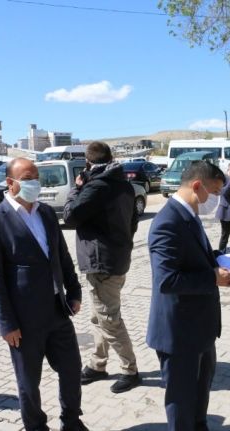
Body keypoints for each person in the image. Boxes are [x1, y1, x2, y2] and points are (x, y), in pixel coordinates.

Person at [0, 158, 86, 431]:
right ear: (10, 183)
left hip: (57, 310)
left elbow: (61, 256)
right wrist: (6, 324)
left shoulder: (47, 213)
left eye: (36, 177)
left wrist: (74, 291)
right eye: (27, 178)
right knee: (29, 382)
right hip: (23, 321)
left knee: (72, 370)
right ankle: (36, 427)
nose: (34, 183)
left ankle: (71, 421)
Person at [147, 161, 230, 431]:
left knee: (199, 396)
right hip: (179, 333)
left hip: (200, 328)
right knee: (181, 401)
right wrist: (214, 278)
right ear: (196, 186)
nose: (216, 200)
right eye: (214, 193)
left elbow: (199, 259)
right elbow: (167, 280)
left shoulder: (189, 215)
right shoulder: (166, 223)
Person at [63, 141, 142, 393]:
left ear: (88, 163)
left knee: (109, 319)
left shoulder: (97, 187)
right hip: (116, 259)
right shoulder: (124, 185)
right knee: (99, 316)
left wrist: (76, 190)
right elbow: (133, 223)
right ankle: (98, 364)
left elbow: (70, 216)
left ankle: (130, 370)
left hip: (102, 263)